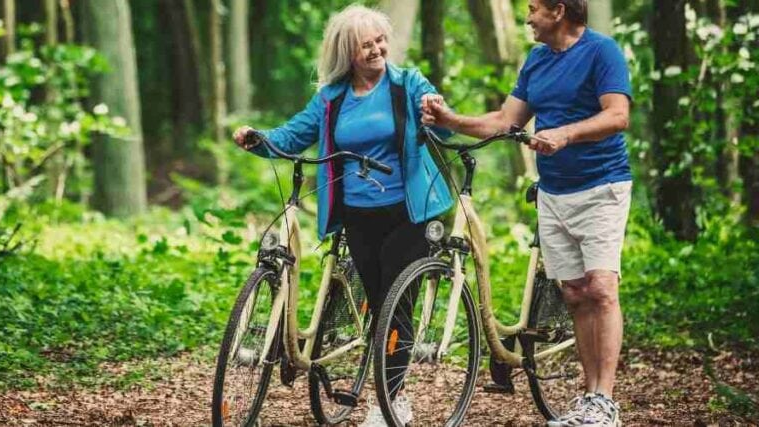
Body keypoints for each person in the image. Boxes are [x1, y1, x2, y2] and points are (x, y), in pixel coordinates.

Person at [232, 4, 453, 426]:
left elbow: (443, 127)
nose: (376, 49)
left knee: (394, 303)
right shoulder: (332, 99)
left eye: (380, 40)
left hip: (409, 210)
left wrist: (438, 113)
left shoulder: (408, 84)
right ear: (347, 53)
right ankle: (387, 386)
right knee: (375, 304)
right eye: (365, 45)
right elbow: (293, 134)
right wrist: (258, 140)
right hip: (358, 213)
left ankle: (392, 401)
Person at [421, 0, 632, 425]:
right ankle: (589, 399)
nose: (527, 16)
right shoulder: (536, 62)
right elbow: (504, 120)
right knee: (573, 292)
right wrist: (450, 119)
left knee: (602, 288)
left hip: (602, 186)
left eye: (534, 8)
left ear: (559, 10)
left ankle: (604, 401)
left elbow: (617, 115)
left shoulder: (601, 51)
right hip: (554, 191)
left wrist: (566, 135)